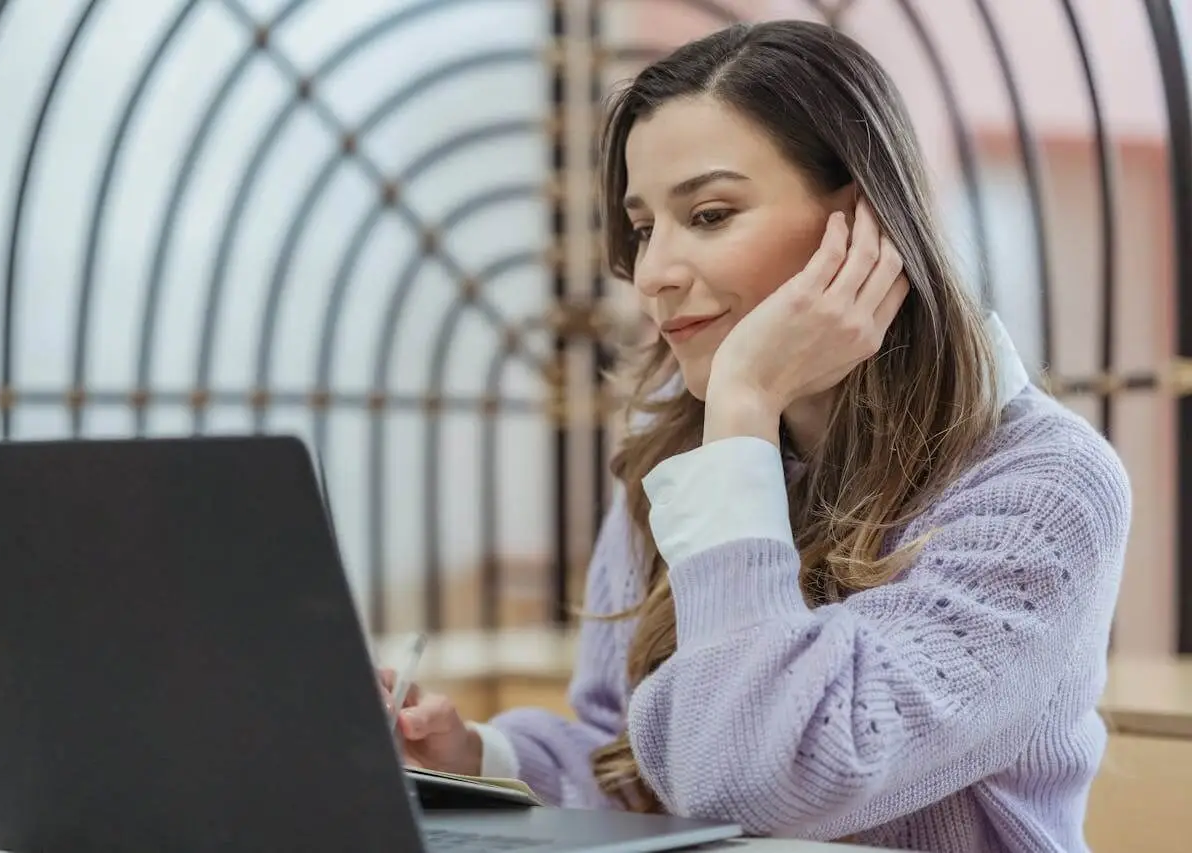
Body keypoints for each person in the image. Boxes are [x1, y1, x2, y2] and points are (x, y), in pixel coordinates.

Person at [377, 19, 1131, 852]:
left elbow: (773, 778)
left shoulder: (1045, 486)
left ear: (864, 223)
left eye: (708, 213)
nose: (655, 271)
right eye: (642, 228)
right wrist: (469, 755)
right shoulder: (678, 455)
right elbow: (647, 763)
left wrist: (742, 408)